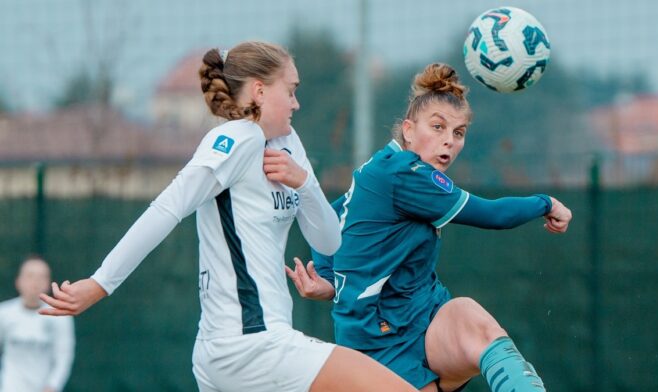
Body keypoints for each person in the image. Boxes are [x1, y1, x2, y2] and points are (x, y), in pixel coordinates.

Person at [38, 41, 418, 392]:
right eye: (291, 90)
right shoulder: (238, 139)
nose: (296, 103)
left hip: (248, 347)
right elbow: (168, 208)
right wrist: (101, 283)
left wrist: (304, 183)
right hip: (249, 346)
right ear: (259, 90)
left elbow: (329, 242)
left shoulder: (286, 143)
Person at [286, 63, 573, 392]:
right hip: (377, 340)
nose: (448, 141)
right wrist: (547, 203)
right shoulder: (404, 175)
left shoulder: (387, 163)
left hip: (424, 312)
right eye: (437, 127)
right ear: (408, 129)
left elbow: (330, 217)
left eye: (458, 132)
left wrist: (330, 280)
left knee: (472, 319)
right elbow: (494, 215)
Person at [0, 255, 75, 392]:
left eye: (41, 277)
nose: (35, 282)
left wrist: (52, 386)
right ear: (18, 281)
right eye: (30, 276)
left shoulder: (60, 316)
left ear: (48, 283)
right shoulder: (3, 313)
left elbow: (64, 356)